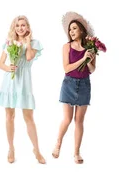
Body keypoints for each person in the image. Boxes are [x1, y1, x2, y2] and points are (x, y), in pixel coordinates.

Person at [0, 15, 46, 164]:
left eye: (23, 25)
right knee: (9, 116)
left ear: (28, 27)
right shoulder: (9, 42)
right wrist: (8, 68)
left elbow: (29, 57)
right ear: (14, 27)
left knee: (28, 117)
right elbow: (0, 63)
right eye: (17, 26)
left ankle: (36, 149)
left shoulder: (34, 43)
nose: (20, 28)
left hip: (24, 82)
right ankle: (11, 148)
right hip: (10, 81)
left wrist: (28, 41)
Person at [52, 11, 98, 164]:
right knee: (67, 119)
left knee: (79, 121)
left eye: (74, 29)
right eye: (70, 29)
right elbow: (66, 68)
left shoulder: (91, 47)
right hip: (69, 83)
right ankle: (58, 143)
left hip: (85, 84)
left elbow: (92, 70)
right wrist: (83, 59)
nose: (71, 32)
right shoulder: (66, 47)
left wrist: (90, 60)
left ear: (82, 31)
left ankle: (76, 153)